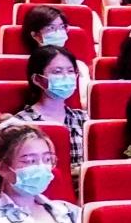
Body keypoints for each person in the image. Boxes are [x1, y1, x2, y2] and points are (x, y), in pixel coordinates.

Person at [13, 46, 88, 176]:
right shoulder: (21, 123)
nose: (66, 77)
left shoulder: (83, 119)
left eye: (70, 71)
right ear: (37, 79)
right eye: (57, 72)